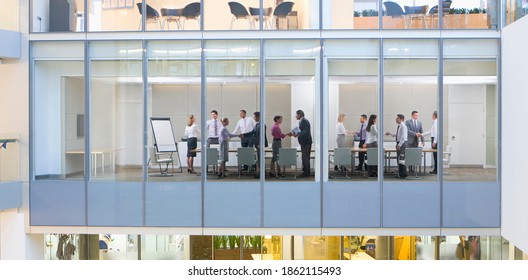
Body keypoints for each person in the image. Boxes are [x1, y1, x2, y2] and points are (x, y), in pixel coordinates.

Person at [241, 112, 268, 178]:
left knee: (260, 159)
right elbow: (252, 132)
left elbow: (262, 135)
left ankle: (261, 174)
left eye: (254, 117)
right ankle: (259, 173)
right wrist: (243, 134)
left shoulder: (262, 125)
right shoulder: (257, 125)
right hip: (257, 144)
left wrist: (259, 143)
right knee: (259, 159)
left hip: (260, 145)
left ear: (258, 117)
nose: (254, 118)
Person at [385, 114, 408, 179]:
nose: (396, 119)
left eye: (397, 118)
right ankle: (401, 173)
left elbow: (403, 137)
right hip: (399, 143)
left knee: (401, 159)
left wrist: (399, 145)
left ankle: (402, 174)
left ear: (401, 119)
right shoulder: (399, 126)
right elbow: (397, 135)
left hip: (402, 144)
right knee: (399, 159)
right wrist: (390, 133)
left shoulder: (403, 126)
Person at [292, 110, 312, 178]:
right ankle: (306, 172)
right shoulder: (302, 121)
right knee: (305, 158)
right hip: (304, 142)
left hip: (306, 142)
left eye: (296, 114)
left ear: (299, 114)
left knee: (305, 158)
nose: (295, 116)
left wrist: (298, 134)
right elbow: (303, 131)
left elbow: (306, 131)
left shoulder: (304, 121)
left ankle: (306, 173)